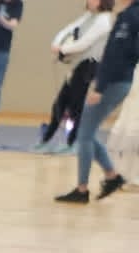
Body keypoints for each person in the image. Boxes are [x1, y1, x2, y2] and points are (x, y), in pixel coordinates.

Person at [55, 0, 136, 194]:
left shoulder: (131, 17)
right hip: (114, 80)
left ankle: (82, 189)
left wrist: (99, 87)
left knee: (84, 134)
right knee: (86, 132)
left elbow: (116, 56)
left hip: (114, 82)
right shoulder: (126, 16)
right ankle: (111, 176)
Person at [38, 0, 111, 146]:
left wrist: (62, 50)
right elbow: (69, 29)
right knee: (60, 103)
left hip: (88, 66)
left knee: (76, 107)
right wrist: (56, 42)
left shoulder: (103, 21)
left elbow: (84, 43)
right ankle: (45, 140)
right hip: (77, 66)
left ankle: (72, 143)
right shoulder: (89, 16)